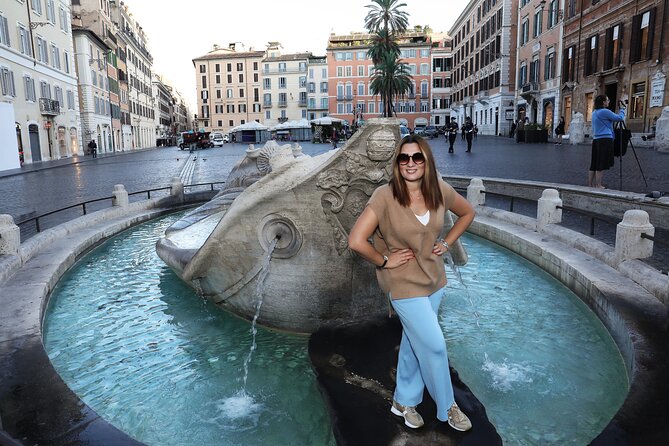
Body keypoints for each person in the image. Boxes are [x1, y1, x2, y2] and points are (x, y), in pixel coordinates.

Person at [348, 134, 476, 432]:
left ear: (426, 161)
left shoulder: (438, 190)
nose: (410, 163)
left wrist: (447, 242)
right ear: (397, 164)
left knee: (413, 342)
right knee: (434, 345)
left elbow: (468, 213)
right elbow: (356, 240)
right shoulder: (384, 196)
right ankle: (448, 407)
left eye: (417, 157)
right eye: (403, 158)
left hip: (435, 280)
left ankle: (403, 401)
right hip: (402, 282)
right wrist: (383, 260)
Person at [589, 95, 626, 188]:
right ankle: (598, 185)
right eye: (607, 100)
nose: (609, 101)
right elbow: (619, 118)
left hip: (596, 139)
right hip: (605, 139)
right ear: (603, 102)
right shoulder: (605, 111)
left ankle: (590, 184)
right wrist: (622, 109)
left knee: (594, 163)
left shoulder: (594, 112)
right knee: (601, 163)